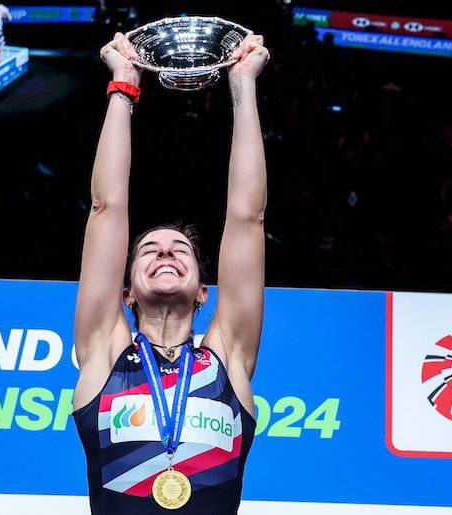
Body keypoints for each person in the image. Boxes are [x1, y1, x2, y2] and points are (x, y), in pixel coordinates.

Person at [73, 32, 270, 514]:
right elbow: (105, 207)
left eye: (181, 249)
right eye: (149, 250)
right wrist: (124, 85)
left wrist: (243, 87)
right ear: (127, 292)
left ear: (204, 292)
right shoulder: (104, 350)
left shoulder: (230, 357)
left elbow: (247, 218)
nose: (165, 253)